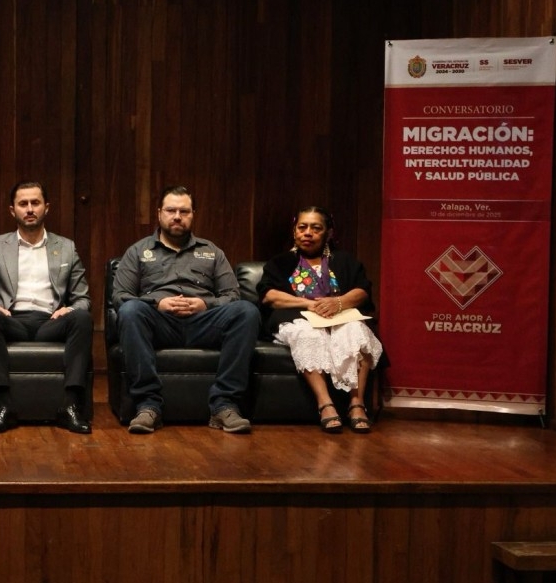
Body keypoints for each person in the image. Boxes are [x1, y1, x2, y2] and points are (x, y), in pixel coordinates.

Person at [112, 185, 260, 434]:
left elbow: (232, 295)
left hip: (204, 323)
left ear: (193, 215)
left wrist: (206, 304)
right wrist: (157, 303)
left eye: (184, 211)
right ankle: (148, 405)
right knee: (130, 310)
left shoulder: (211, 251)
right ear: (159, 213)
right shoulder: (138, 251)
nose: (177, 216)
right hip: (160, 324)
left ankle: (224, 405)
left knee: (246, 311)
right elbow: (120, 296)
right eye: (171, 210)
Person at [0, 181, 94, 434]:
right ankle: (4, 407)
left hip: (50, 321)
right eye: (23, 204)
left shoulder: (66, 247)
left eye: (35, 203)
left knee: (82, 318)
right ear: (12, 210)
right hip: (11, 320)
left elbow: (83, 298)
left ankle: (70, 406)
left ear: (47, 207)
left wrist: (69, 310)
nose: (30, 209)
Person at [257, 205, 383, 433]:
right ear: (294, 231)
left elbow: (363, 290)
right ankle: (325, 404)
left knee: (356, 331)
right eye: (302, 227)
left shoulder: (344, 260)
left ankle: (356, 404)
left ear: (328, 233)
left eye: (316, 228)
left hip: (340, 316)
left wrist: (338, 302)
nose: (308, 233)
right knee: (308, 333)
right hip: (297, 317)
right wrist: (308, 304)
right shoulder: (280, 262)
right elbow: (269, 295)